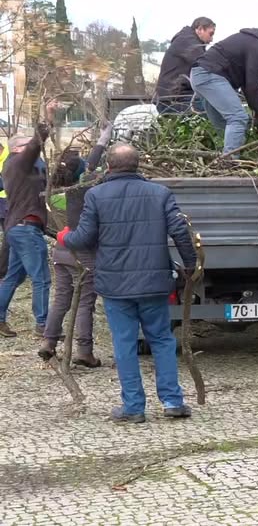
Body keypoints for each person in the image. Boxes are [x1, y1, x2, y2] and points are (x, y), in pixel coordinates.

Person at [60, 144, 196, 423]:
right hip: (154, 281)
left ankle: (133, 407)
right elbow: (181, 231)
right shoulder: (160, 193)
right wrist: (190, 265)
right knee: (162, 340)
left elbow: (83, 238)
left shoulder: (96, 195)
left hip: (115, 285)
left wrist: (64, 237)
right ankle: (172, 401)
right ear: (138, 165)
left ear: (108, 167)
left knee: (124, 344)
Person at [40, 123, 115, 366]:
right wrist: (105, 138)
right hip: (83, 253)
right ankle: (84, 352)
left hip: (62, 249)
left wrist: (102, 140)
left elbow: (89, 163)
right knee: (85, 302)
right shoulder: (91, 187)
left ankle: (48, 342)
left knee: (61, 298)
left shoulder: (70, 188)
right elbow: (95, 165)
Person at [190, 24, 258, 155]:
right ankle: (229, 162)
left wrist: (255, 108)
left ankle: (222, 157)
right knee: (238, 118)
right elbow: (252, 84)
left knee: (223, 121)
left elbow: (246, 82)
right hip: (209, 74)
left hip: (203, 75)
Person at [0, 104, 55, 339]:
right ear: (18, 149)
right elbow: (36, 142)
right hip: (25, 228)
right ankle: (43, 324)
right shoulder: (19, 162)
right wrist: (48, 117)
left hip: (17, 227)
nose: (37, 153)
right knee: (42, 277)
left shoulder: (18, 168)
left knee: (13, 276)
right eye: (31, 149)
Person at [154, 17, 216, 114]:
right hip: (173, 100)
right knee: (214, 112)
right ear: (200, 29)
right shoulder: (188, 42)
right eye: (210, 34)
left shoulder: (187, 40)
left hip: (174, 97)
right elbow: (207, 66)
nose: (211, 39)